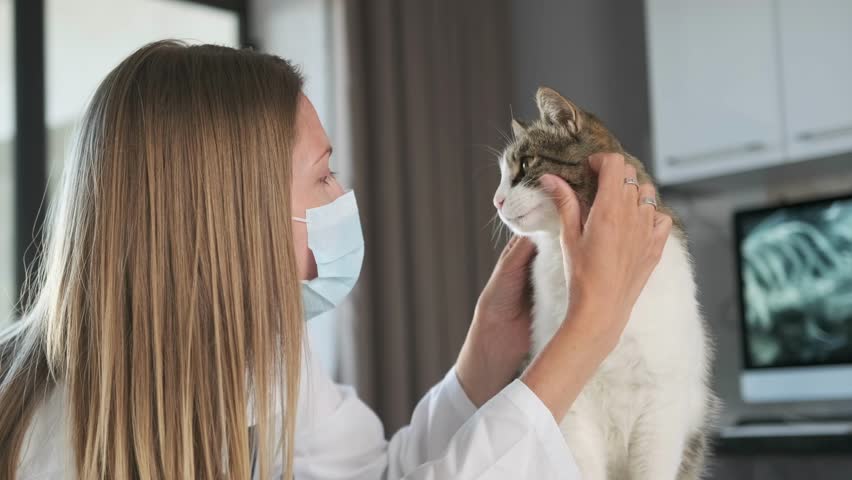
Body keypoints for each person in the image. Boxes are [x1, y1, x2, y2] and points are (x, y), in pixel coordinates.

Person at [0, 40, 671, 479]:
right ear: (239, 214)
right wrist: (589, 331)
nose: (343, 196)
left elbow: (371, 477)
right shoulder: (51, 444)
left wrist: (481, 362)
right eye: (322, 175)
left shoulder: (265, 358)